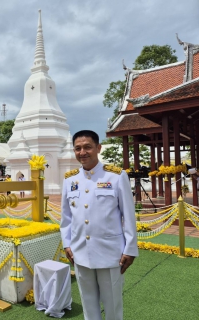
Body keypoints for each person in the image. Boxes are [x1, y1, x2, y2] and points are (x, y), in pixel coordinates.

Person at [60, 130, 138, 320]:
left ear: (98, 148)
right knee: (88, 304)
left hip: (110, 253)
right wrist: (67, 244)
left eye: (87, 147)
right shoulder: (70, 179)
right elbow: (66, 218)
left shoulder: (116, 176)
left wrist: (130, 249)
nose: (82, 152)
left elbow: (128, 215)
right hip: (80, 251)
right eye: (78, 148)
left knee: (112, 306)